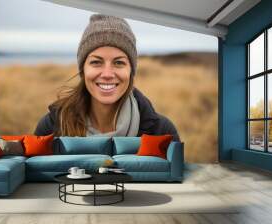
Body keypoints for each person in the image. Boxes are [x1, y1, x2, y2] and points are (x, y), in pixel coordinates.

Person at [34, 14, 180, 141]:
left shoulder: (161, 132)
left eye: (119, 62)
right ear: (83, 69)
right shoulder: (52, 127)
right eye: (96, 62)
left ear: (131, 70)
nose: (107, 74)